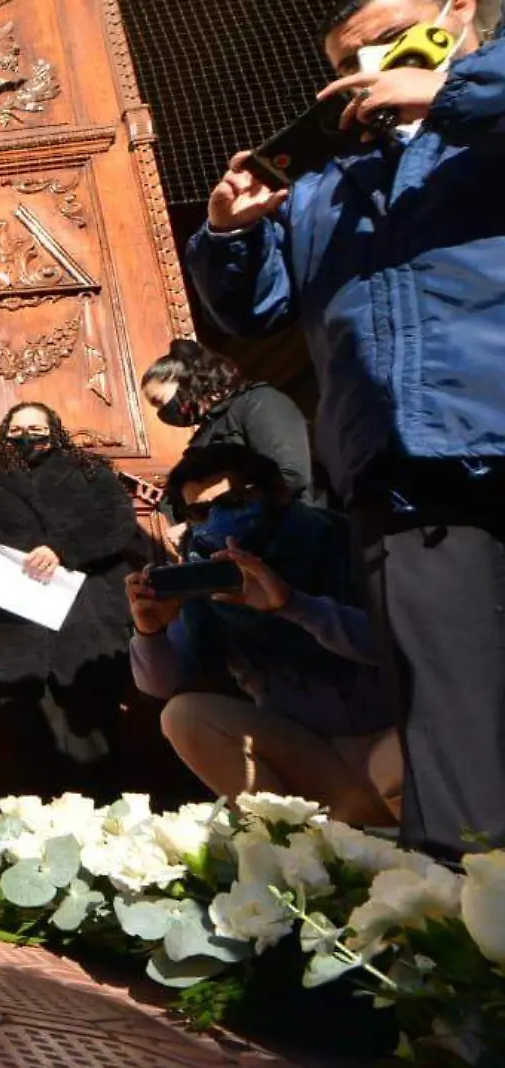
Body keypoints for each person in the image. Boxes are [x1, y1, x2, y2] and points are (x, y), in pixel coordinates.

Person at [183, 0, 505, 858]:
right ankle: (467, 941)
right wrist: (227, 233)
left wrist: (454, 92)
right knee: (448, 712)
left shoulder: (480, 108)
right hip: (401, 468)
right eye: (346, 49)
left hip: (493, 412)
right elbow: (255, 309)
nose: (363, 54)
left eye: (382, 30)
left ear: (456, 11)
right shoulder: (324, 183)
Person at [128, 445, 400, 825]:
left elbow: (400, 645)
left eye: (234, 500)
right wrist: (150, 631)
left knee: (394, 773)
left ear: (277, 492)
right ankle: (290, 849)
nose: (218, 518)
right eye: (201, 512)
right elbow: (162, 684)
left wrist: (293, 604)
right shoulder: (207, 574)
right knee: (183, 715)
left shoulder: (343, 538)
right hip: (307, 749)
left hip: (395, 731)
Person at [0, 402, 143, 798]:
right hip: (16, 614)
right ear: (4, 435)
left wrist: (62, 550)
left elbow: (118, 522)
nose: (27, 436)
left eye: (37, 428)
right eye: (17, 429)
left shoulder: (92, 471)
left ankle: (102, 827)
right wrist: (19, 559)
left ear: (55, 429)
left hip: (86, 612)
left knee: (90, 724)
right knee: (24, 726)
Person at [141, 338, 316, 506]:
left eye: (159, 401)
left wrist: (216, 504)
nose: (163, 412)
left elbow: (291, 474)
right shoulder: (202, 437)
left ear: (183, 380)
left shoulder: (258, 402)